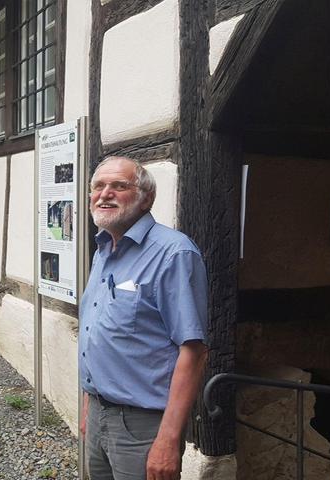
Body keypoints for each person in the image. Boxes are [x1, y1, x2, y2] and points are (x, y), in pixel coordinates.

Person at [78, 156, 209, 480]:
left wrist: (168, 438)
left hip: (143, 427)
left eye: (119, 186)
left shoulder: (174, 253)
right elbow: (96, 331)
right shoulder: (103, 249)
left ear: (146, 197)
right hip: (97, 413)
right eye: (98, 186)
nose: (105, 194)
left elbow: (193, 351)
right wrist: (88, 404)